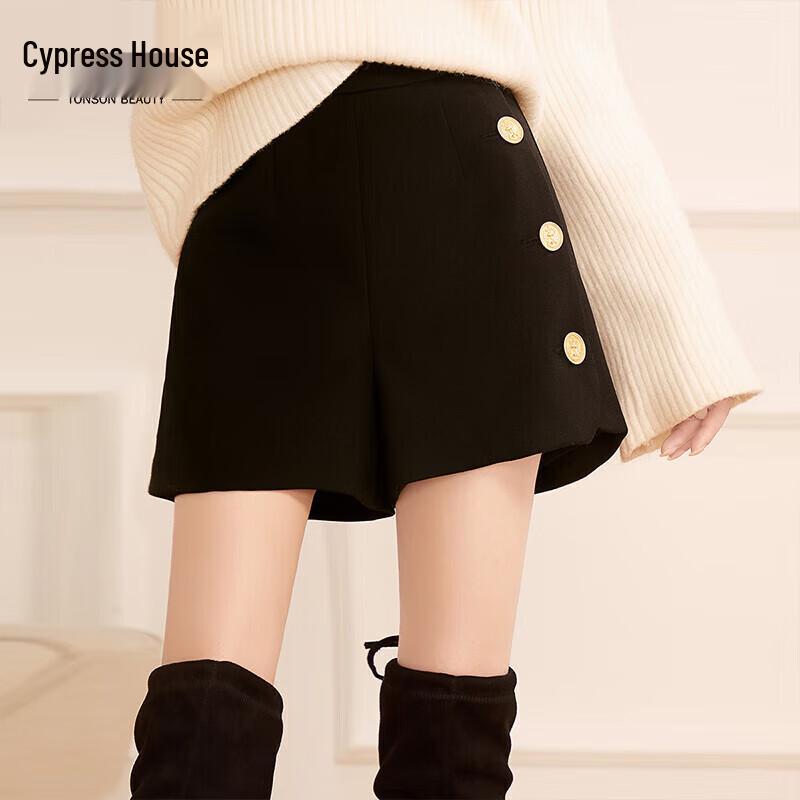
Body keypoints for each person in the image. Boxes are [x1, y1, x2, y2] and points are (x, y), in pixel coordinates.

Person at [127, 3, 762, 798]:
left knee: (208, 701)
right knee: (448, 708)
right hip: (448, 171)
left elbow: (155, 67)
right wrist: (680, 327)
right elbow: (568, 61)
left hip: (270, 182)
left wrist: (198, 162)